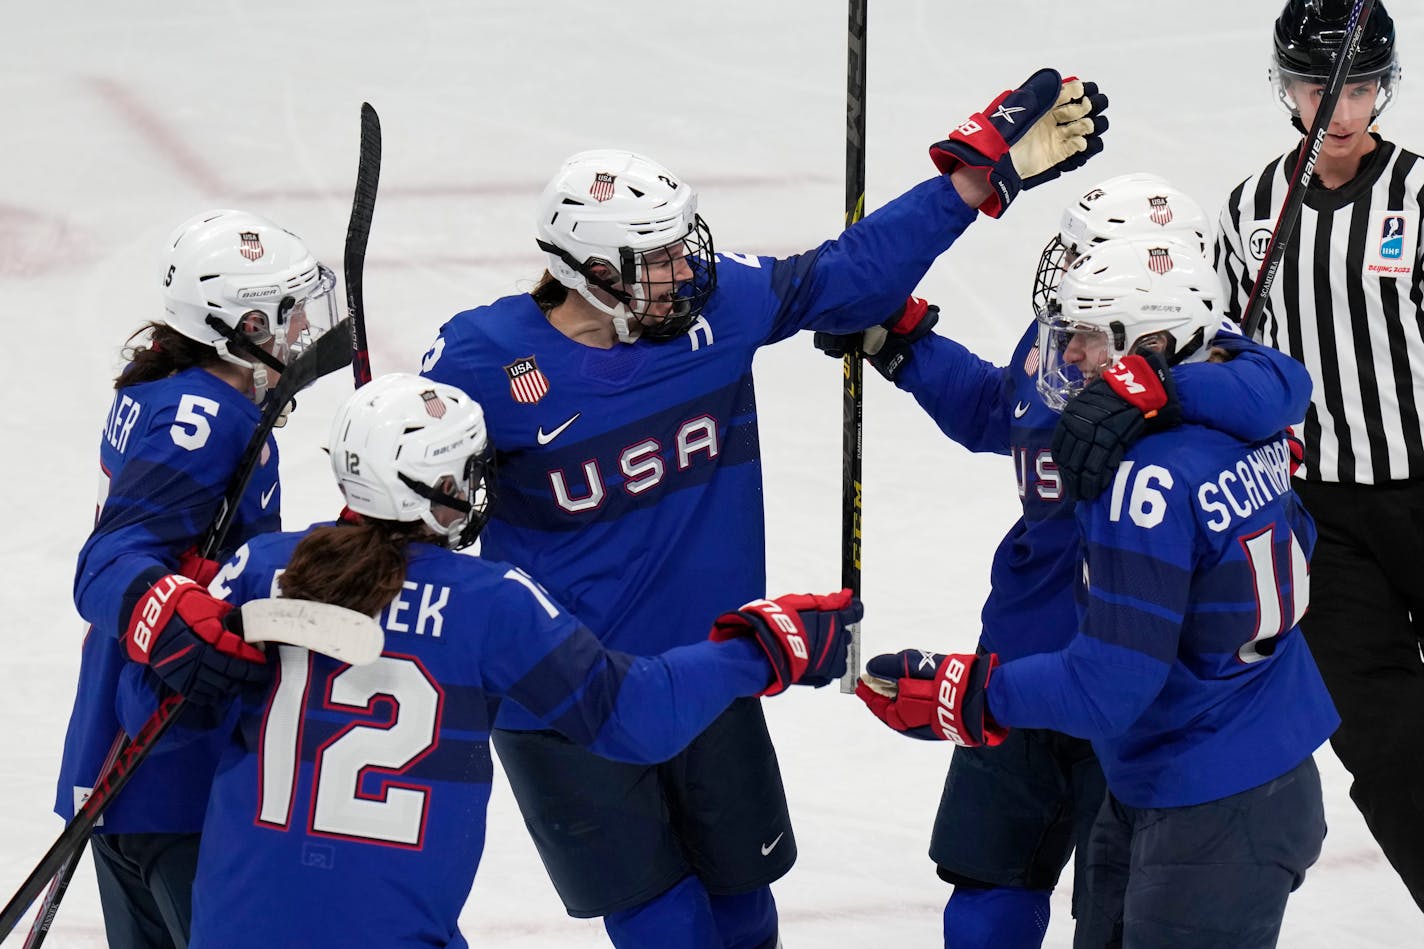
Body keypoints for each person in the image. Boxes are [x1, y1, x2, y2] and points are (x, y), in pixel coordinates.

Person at [418, 69, 1110, 948]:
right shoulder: (480, 358)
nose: (687, 267)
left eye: (683, 244)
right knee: (665, 924)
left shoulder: (718, 308)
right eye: (659, 257)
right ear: (588, 272)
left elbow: (846, 277)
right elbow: (401, 490)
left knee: (745, 908)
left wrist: (969, 184)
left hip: (708, 671)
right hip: (565, 698)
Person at [183, 373, 860, 948]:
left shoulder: (261, 566)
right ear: (436, 487)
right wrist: (762, 647)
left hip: (226, 924)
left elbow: (172, 688)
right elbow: (634, 715)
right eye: (471, 468)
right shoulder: (489, 601)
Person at [814, 175, 1313, 948]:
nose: (1062, 280)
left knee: (1109, 914)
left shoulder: (1205, 392)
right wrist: (908, 347)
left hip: (1122, 683)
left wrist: (1169, 389)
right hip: (1032, 656)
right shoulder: (1073, 341)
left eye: (1084, 256)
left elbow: (1279, 385)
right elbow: (1000, 411)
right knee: (988, 879)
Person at [53, 209, 339, 949]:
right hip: (172, 756)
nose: (306, 324)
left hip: (124, 748)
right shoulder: (203, 413)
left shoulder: (173, 383)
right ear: (242, 323)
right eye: (290, 307)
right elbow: (109, 559)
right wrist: (170, 611)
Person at [1214, 0, 1424, 912]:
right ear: (1287, 89)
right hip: (1324, 520)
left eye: (1359, 85)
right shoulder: (1252, 211)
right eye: (1316, 85)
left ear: (1385, 88)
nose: (1338, 107)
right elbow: (1225, 354)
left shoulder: (1419, 198)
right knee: (1382, 740)